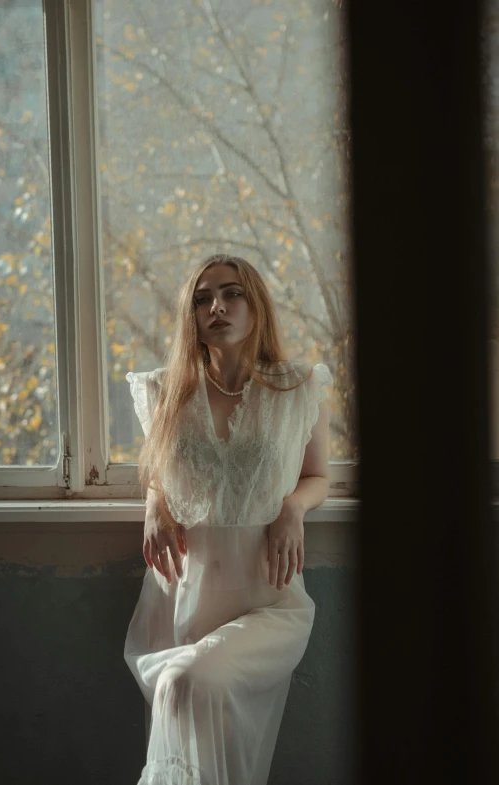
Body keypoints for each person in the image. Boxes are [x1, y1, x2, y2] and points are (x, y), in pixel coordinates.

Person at [124, 253, 333, 785]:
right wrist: (154, 502)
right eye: (202, 298)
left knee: (186, 683)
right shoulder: (165, 391)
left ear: (255, 303)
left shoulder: (298, 387)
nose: (216, 306)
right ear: (190, 316)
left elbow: (318, 476)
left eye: (231, 293)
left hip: (266, 596)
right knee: (197, 725)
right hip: (182, 597)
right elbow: (158, 472)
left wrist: (292, 508)